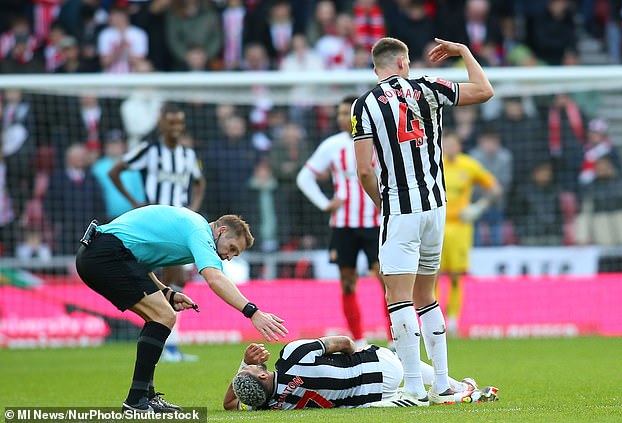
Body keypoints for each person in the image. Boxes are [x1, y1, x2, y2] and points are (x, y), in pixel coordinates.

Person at [352, 37, 494, 405]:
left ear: (377, 67)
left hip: (401, 209)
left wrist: (382, 205)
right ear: (402, 63)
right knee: (427, 297)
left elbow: (365, 172)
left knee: (397, 298)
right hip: (436, 209)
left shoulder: (364, 104)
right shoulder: (429, 87)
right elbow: (484, 90)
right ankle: (443, 383)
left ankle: (414, 387)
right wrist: (464, 52)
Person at [75, 205, 288, 412]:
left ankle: (145, 397)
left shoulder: (193, 228)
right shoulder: (200, 231)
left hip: (104, 253)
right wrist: (253, 312)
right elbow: (214, 278)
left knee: (160, 316)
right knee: (163, 315)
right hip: (105, 254)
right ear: (221, 230)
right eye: (232, 248)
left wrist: (168, 293)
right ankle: (136, 400)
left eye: (235, 254)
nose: (229, 256)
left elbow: (139, 264)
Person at [109, 103, 206, 362]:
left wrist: (192, 209)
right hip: (154, 226)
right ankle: (166, 344)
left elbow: (199, 182)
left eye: (180, 123)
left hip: (179, 225)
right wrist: (135, 203)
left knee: (175, 281)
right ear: (161, 123)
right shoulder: (149, 150)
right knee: (163, 281)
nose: (176, 128)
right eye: (171, 123)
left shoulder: (187, 154)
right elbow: (115, 171)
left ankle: (168, 344)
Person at [296, 95, 390, 347]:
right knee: (348, 283)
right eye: (338, 113)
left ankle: (395, 340)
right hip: (343, 225)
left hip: (375, 223)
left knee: (386, 281)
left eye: (346, 113)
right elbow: (304, 177)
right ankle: (359, 340)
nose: (341, 118)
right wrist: (324, 203)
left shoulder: (379, 140)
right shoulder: (331, 145)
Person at [224, 336, 499, 410]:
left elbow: (230, 404)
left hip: (374, 397)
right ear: (261, 376)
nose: (250, 364)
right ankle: (451, 385)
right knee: (391, 351)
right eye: (249, 367)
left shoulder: (271, 406)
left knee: (390, 359)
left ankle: (458, 387)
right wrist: (356, 356)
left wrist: (242, 364)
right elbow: (344, 342)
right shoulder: (291, 354)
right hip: (382, 369)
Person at [441, 131, 501, 335]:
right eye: (446, 144)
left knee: (456, 276)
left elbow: (494, 188)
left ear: (459, 146)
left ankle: (454, 319)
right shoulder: (433, 163)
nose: (449, 148)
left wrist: (479, 207)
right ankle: (434, 321)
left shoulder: (469, 165)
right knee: (432, 275)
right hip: (436, 226)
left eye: (453, 144)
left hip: (460, 227)